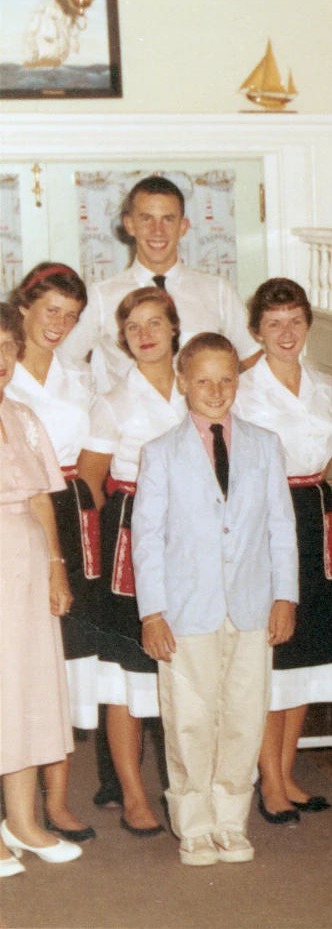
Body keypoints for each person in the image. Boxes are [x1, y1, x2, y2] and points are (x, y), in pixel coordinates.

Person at [133, 333, 297, 866]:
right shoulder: (160, 453)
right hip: (186, 609)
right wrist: (152, 611)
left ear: (238, 381)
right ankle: (194, 822)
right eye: (203, 379)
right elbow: (147, 537)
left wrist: (285, 597)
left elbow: (281, 527)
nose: (216, 389)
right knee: (189, 718)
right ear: (182, 383)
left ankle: (231, 819)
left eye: (226, 378)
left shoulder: (265, 444)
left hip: (251, 605)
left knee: (245, 715)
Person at [232, 279, 332, 823]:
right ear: (256, 330)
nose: (286, 332)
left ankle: (286, 767)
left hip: (314, 513)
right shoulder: (243, 389)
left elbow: (322, 459)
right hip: (266, 519)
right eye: (274, 323)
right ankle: (268, 781)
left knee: (307, 650)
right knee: (273, 650)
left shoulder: (324, 386)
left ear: (307, 326)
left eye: (295, 321)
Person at [79, 287, 188, 837]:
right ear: (123, 339)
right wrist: (126, 527)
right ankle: (133, 793)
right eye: (133, 328)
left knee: (183, 667)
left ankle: (186, 787)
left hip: (190, 543)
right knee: (128, 674)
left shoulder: (198, 389)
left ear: (174, 328)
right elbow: (90, 481)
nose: (144, 335)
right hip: (130, 540)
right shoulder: (115, 400)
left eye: (155, 323)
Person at [7, 264, 108, 842]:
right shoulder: (4, 369)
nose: (60, 325)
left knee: (64, 659)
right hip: (16, 511)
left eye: (71, 317)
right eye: (51, 311)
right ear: (23, 307)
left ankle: (57, 799)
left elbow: (92, 457)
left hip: (65, 511)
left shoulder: (79, 376)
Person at [0, 302, 85, 875]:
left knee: (25, 690)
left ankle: (23, 822)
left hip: (26, 563)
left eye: (7, 347)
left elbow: (40, 498)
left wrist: (57, 565)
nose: (0, 360)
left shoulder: (23, 417)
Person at [59, 176, 258, 395]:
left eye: (168, 219)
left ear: (183, 226)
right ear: (130, 224)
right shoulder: (100, 296)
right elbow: (63, 363)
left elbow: (255, 366)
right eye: (146, 219)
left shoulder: (219, 291)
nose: (157, 231)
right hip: (131, 426)